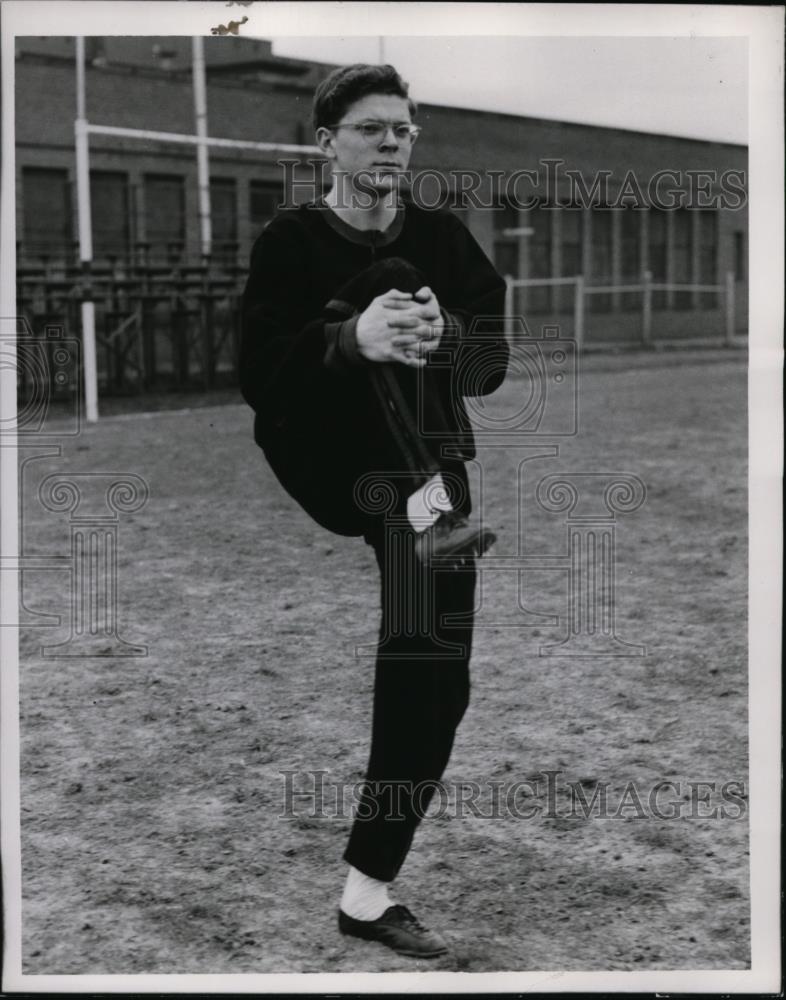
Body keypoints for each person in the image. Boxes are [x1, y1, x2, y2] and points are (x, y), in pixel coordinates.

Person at [239, 63, 509, 959]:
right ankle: (366, 894)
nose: (393, 141)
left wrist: (448, 337)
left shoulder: (441, 233)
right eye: (371, 128)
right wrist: (346, 340)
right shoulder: (290, 241)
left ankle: (366, 892)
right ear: (327, 143)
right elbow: (257, 378)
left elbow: (491, 357)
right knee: (384, 280)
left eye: (404, 128)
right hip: (335, 456)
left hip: (432, 476)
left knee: (438, 682)